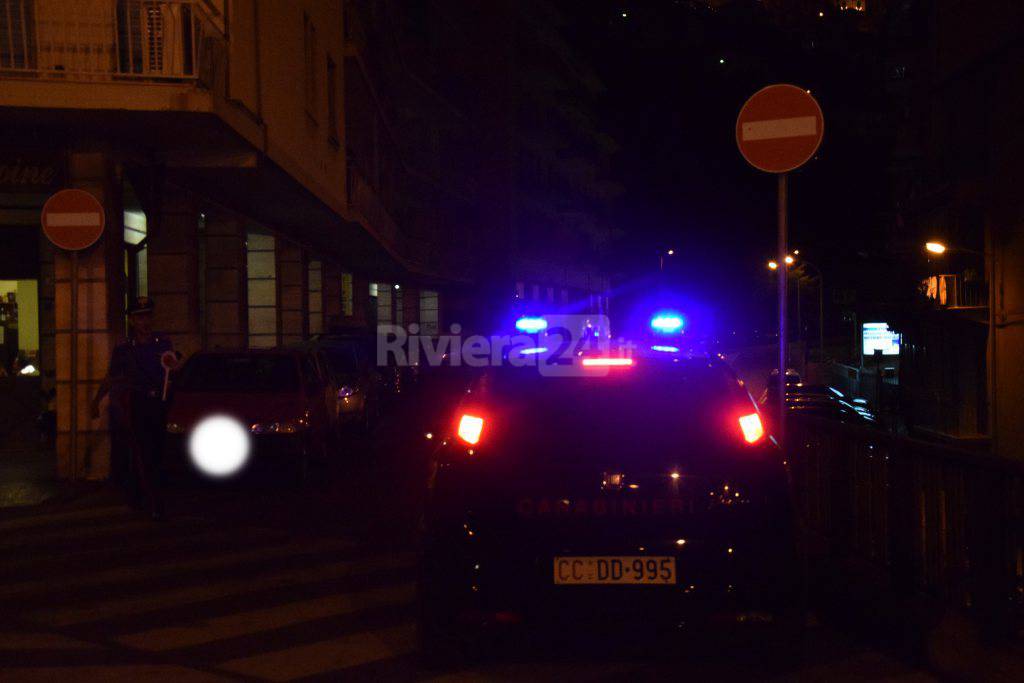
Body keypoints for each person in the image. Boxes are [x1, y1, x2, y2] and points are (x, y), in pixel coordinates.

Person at [91, 296, 177, 519]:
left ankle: (150, 495)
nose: (144, 322)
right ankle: (150, 499)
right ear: (131, 321)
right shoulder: (124, 349)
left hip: (159, 402)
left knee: (158, 451)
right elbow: (112, 377)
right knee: (142, 451)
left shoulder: (163, 343)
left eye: (147, 316)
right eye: (139, 318)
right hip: (137, 403)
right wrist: (97, 400)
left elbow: (171, 370)